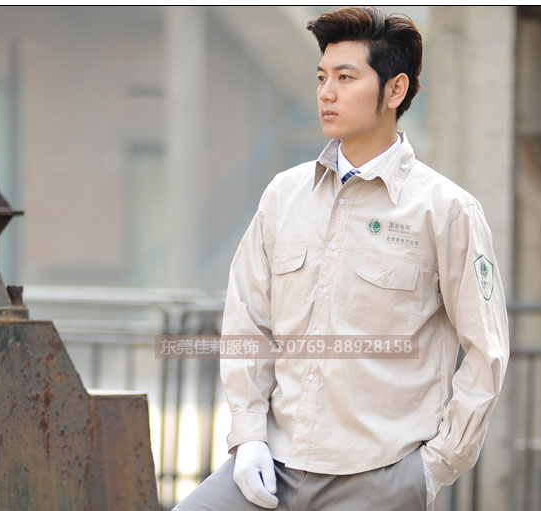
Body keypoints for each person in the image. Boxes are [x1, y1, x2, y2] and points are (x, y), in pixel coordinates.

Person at [173, 6, 508, 511]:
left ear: (394, 90)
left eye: (345, 78)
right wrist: (248, 436)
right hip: (273, 465)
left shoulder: (446, 210)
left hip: (377, 477)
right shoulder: (283, 195)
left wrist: (433, 467)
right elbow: (247, 320)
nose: (326, 93)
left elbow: (487, 351)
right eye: (321, 77)